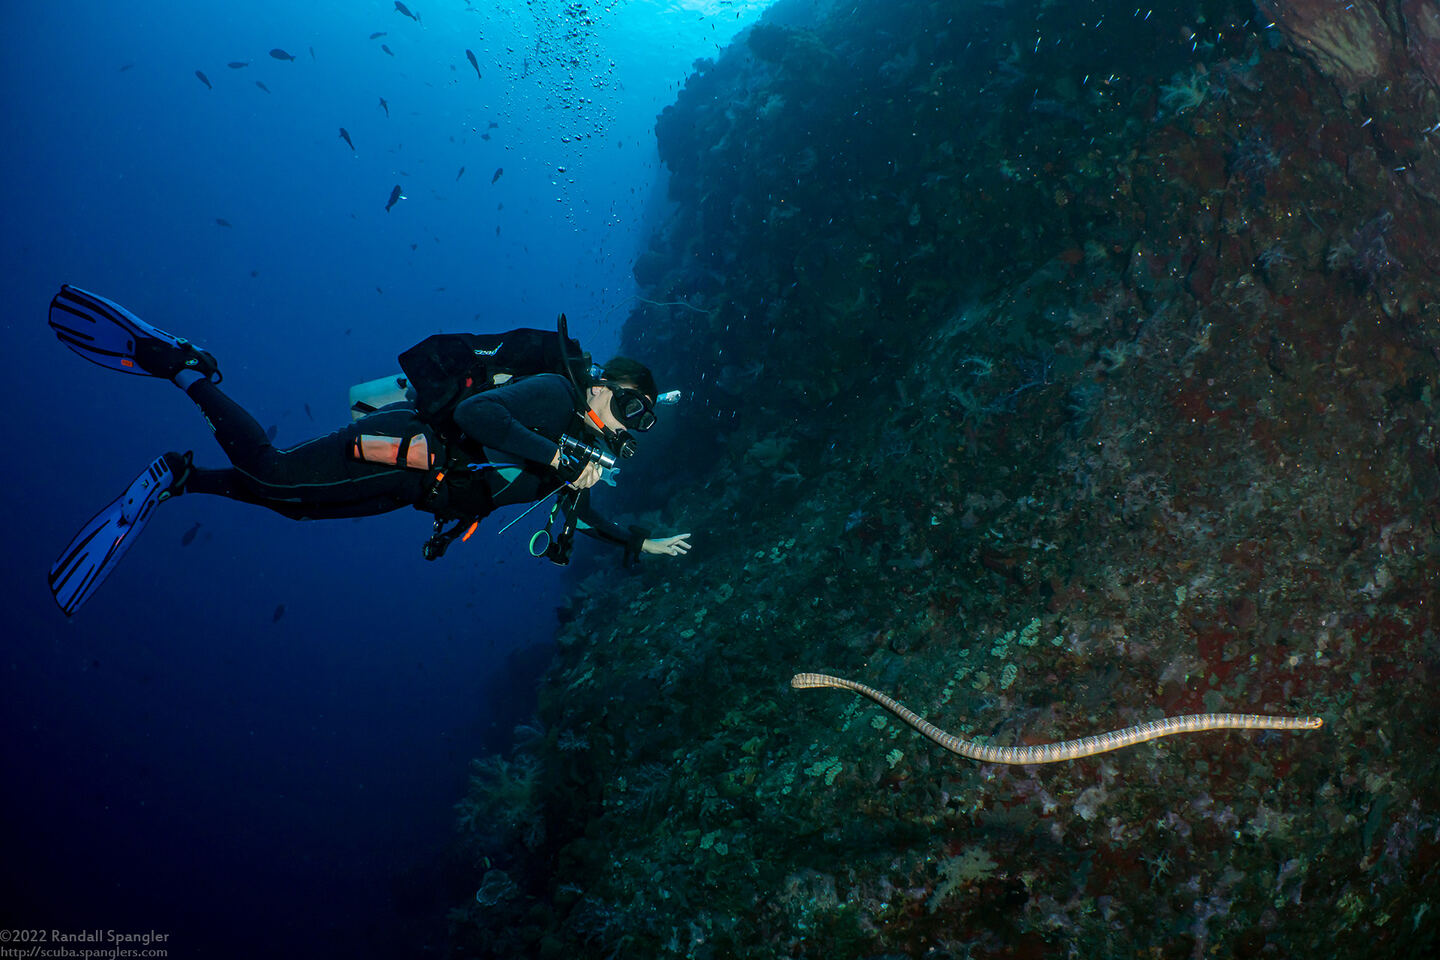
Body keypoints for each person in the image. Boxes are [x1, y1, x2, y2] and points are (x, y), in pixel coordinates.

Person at [47, 285, 691, 616]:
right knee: (271, 473)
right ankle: (183, 366)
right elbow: (474, 412)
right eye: (632, 406)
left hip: (418, 488)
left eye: (642, 422)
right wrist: (554, 461)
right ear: (608, 382)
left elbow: (574, 511)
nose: (630, 425)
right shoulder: (554, 394)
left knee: (294, 506)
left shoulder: (574, 447)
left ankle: (180, 477)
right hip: (404, 446)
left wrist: (636, 541)